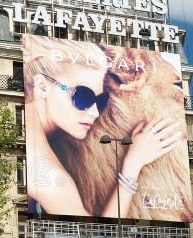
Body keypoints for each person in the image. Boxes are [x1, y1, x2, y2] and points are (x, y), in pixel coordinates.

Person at [23, 34, 184, 220]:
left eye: (101, 101)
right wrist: (132, 164)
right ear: (42, 86)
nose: (94, 112)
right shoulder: (50, 178)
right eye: (83, 97)